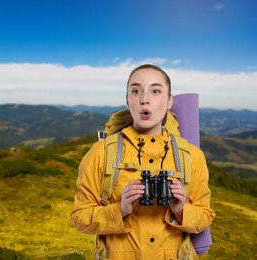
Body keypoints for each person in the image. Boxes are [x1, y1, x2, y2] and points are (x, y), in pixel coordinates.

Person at [70, 64, 215, 259]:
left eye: (155, 91)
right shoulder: (102, 153)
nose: (144, 99)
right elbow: (79, 218)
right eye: (136, 91)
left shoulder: (191, 156)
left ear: (169, 101)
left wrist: (181, 211)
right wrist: (120, 210)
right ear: (128, 100)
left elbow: (204, 216)